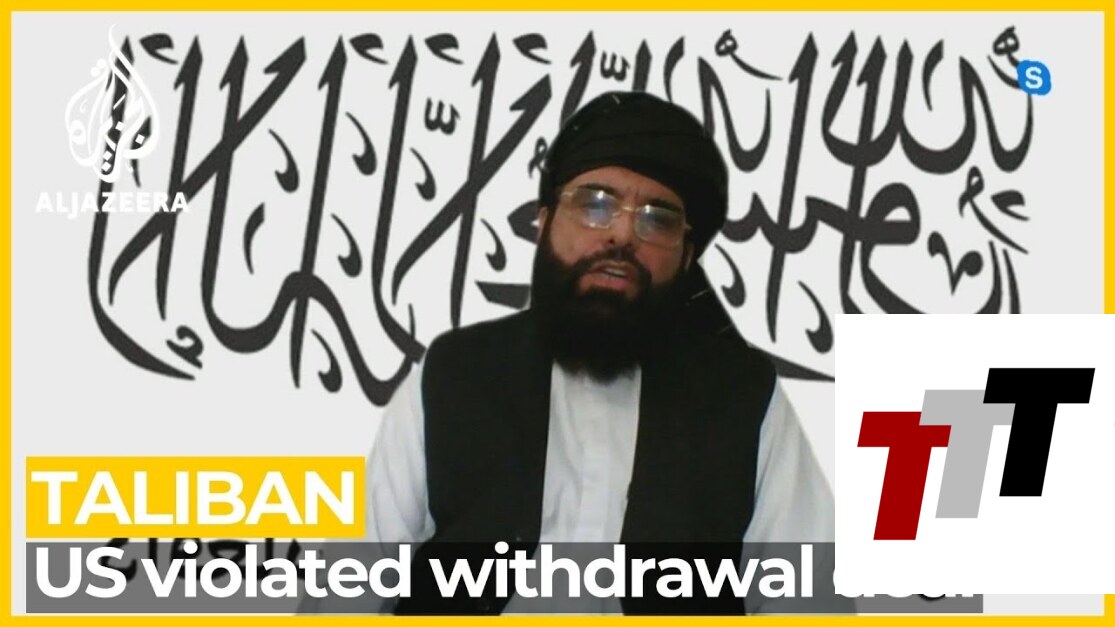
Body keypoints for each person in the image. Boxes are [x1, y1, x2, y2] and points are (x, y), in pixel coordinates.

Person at [320, 91, 835, 615]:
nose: (622, 234)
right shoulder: (454, 375)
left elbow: (810, 602)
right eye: (595, 205)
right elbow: (350, 586)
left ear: (686, 256)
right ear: (544, 222)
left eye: (656, 219)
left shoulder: (744, 398)